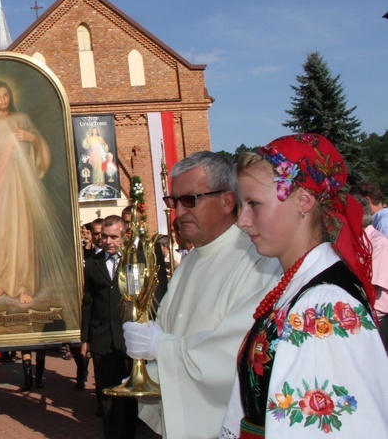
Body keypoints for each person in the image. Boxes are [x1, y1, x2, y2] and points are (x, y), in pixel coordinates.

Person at [219, 134, 388, 438]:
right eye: (241, 206)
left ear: (304, 201)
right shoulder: (300, 286)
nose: (242, 221)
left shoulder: (323, 306)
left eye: (254, 204)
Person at [122, 151, 280, 439]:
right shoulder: (193, 259)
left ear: (227, 201)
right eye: (173, 202)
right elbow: (171, 326)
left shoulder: (258, 260)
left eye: (189, 200)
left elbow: (238, 349)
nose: (178, 212)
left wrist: (162, 348)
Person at [0, 80, 75, 329]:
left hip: (22, 180)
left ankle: (24, 286)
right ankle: (0, 281)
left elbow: (40, 145)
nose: (3, 100)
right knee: (0, 233)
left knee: (23, 232)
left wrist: (33, 139)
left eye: (6, 95)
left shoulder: (23, 118)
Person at [81, 214, 137, 439]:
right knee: (106, 395)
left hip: (130, 339)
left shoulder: (136, 260)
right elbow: (88, 302)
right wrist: (85, 338)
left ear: (125, 236)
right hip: (102, 339)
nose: (108, 241)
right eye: (104, 236)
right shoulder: (93, 264)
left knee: (130, 395)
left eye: (114, 237)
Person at [353, 194, 388, 351]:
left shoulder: (379, 244)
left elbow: (373, 289)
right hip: (360, 316)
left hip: (375, 320)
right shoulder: (355, 241)